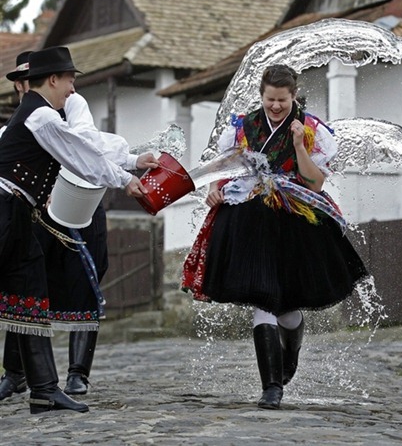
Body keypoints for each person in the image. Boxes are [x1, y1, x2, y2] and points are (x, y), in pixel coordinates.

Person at [181, 64, 369, 409]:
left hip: (296, 219)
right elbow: (225, 168)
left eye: (282, 100)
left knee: (286, 306)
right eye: (270, 99)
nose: (276, 107)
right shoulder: (243, 127)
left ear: (293, 96)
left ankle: (292, 347)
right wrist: (215, 189)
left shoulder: (312, 130)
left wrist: (298, 145)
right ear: (262, 96)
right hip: (250, 219)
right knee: (264, 297)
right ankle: (271, 387)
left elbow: (315, 182)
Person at [0, 51, 160, 402]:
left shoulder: (41, 113)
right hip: (6, 211)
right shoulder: (40, 115)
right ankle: (36, 386)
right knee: (28, 292)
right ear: (53, 79)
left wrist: (129, 164)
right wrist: (126, 179)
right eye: (70, 80)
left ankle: (43, 390)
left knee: (30, 294)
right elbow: (79, 154)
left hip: (19, 214)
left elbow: (85, 146)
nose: (73, 88)